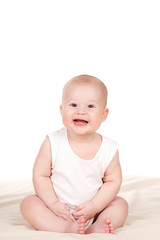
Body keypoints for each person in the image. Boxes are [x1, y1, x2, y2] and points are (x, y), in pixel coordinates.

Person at [20, 74, 128, 234]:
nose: (81, 111)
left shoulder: (109, 149)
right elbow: (40, 175)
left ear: (104, 115)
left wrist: (95, 206)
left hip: (93, 208)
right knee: (28, 203)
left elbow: (112, 182)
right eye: (73, 105)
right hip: (56, 210)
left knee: (121, 205)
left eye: (90, 106)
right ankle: (64, 227)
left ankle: (96, 227)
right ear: (62, 110)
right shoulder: (53, 142)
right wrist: (54, 204)